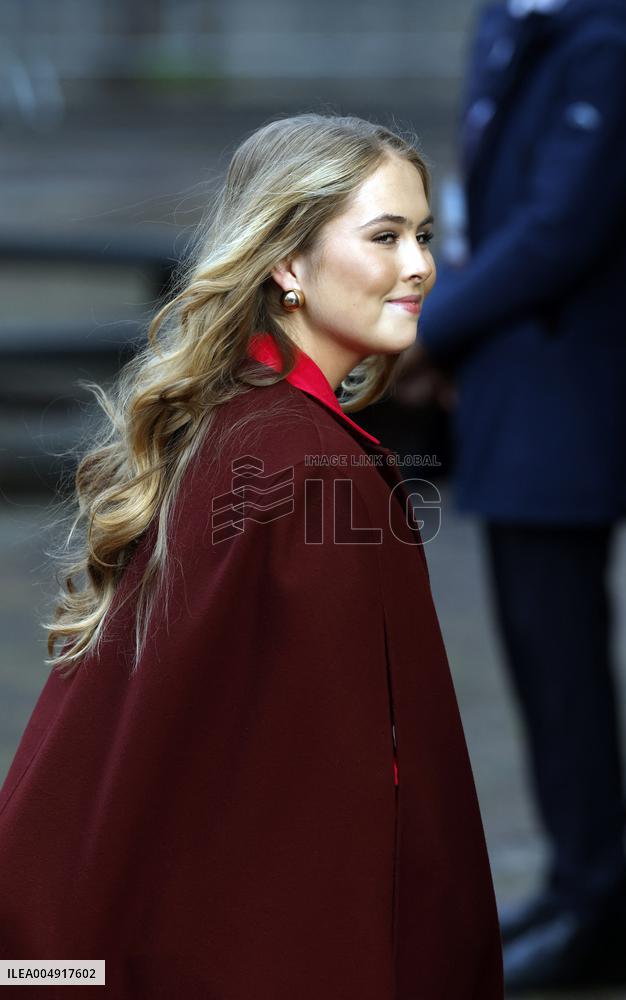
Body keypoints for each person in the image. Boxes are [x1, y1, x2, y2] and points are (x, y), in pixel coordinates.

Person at [0, 115, 503, 998]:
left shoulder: (245, 422)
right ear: (285, 261)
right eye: (383, 237)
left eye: (424, 236)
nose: (420, 266)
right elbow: (337, 789)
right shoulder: (305, 466)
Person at [397, 0, 626, 992]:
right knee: (536, 652)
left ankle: (594, 903)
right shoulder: (516, 16)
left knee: (558, 653)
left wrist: (426, 331)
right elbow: (486, 200)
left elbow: (560, 227)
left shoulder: (609, 36)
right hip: (515, 375)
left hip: (568, 386)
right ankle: (574, 886)